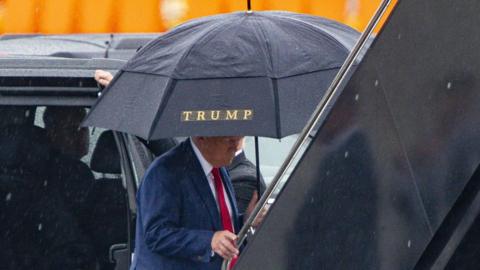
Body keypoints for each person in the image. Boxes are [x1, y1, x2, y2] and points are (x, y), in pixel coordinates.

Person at [131, 136, 257, 270]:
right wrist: (208, 241)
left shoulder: (218, 166)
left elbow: (216, 224)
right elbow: (156, 234)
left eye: (240, 139)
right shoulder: (164, 171)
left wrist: (246, 219)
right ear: (202, 137)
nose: (238, 147)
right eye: (230, 141)